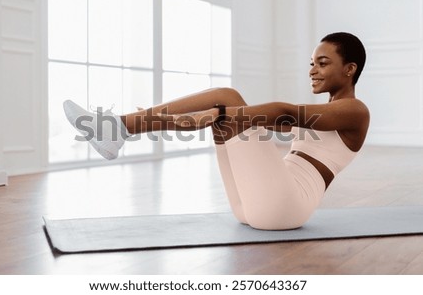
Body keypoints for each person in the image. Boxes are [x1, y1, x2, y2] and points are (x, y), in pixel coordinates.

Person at [63, 32, 369, 231]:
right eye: (312, 63)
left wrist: (218, 112)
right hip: (253, 206)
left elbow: (284, 111)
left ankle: (120, 127)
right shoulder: (328, 113)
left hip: (285, 207)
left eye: (323, 63)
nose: (312, 70)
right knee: (227, 105)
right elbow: (268, 119)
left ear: (350, 69)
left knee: (226, 98)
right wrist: (218, 116)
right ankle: (119, 129)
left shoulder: (356, 111)